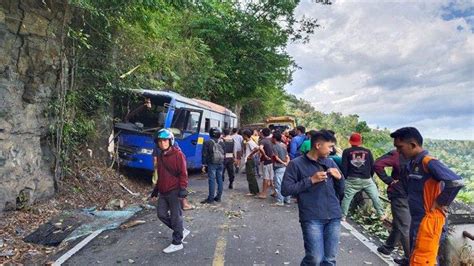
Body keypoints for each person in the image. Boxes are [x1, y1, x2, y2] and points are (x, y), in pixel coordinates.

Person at [390, 127, 464, 265]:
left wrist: (441, 201)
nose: (398, 151)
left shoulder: (428, 162)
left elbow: (455, 181)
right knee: (417, 257)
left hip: (429, 220)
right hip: (418, 219)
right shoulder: (412, 163)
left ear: (413, 145)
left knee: (424, 260)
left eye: (400, 147)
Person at [282, 130, 344, 265]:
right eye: (330, 147)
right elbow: (286, 190)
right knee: (314, 258)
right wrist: (310, 180)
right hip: (312, 217)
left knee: (329, 259)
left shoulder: (330, 163)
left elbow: (341, 191)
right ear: (318, 145)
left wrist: (340, 178)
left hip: (333, 215)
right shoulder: (296, 164)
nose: (332, 150)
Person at [150, 129, 190, 253]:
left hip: (175, 190)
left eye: (165, 141)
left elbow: (183, 173)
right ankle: (181, 230)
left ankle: (177, 242)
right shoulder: (161, 155)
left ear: (171, 141)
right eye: (160, 141)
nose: (163, 144)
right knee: (161, 214)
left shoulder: (178, 155)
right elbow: (161, 173)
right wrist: (156, 189)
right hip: (163, 190)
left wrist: (183, 189)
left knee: (175, 216)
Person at [374, 150, 410, 265]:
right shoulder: (404, 155)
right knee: (404, 225)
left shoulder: (400, 154)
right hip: (403, 195)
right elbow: (378, 165)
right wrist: (389, 180)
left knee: (400, 224)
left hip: (404, 195)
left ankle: (387, 248)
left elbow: (378, 164)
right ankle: (410, 259)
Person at [340, 132, 385, 221]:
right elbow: (372, 165)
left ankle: (343, 216)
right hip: (366, 179)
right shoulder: (367, 151)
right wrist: (370, 176)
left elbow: (344, 167)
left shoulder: (346, 151)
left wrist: (346, 178)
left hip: (352, 179)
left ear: (350, 142)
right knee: (375, 196)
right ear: (360, 142)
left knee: (347, 197)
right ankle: (381, 214)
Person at [152, 141, 194, 211]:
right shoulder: (174, 144)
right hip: (171, 179)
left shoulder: (158, 145)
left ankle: (172, 207)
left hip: (166, 178)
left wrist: (157, 168)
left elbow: (155, 161)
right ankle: (183, 204)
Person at [201, 127, 225, 204]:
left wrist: (204, 165)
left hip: (212, 163)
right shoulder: (222, 143)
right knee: (220, 180)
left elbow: (204, 154)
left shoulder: (207, 142)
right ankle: (218, 197)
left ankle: (210, 198)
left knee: (212, 180)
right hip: (220, 163)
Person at [272, 131, 291, 206]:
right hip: (285, 167)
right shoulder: (284, 145)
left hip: (279, 167)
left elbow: (276, 157)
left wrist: (283, 163)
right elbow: (287, 156)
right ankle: (287, 199)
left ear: (274, 138)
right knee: (286, 183)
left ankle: (280, 201)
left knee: (278, 184)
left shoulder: (275, 146)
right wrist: (287, 163)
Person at [257, 128, 274, 199]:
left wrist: (265, 155)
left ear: (262, 133)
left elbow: (260, 148)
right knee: (271, 177)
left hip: (266, 161)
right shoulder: (271, 140)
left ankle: (264, 193)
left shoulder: (263, 141)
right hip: (272, 161)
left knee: (266, 178)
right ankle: (275, 191)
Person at [242, 129, 260, 195]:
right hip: (250, 160)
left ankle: (253, 191)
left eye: (243, 135)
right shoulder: (250, 142)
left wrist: (250, 155)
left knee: (250, 176)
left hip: (249, 160)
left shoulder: (250, 142)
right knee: (251, 175)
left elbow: (257, 149)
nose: (242, 136)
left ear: (246, 135)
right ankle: (255, 190)